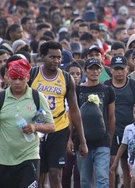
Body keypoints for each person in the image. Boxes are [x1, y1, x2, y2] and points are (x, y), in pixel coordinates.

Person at [0, 59, 56, 188]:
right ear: (8, 78)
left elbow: (51, 126)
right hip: (3, 160)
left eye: (21, 78)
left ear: (28, 78)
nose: (17, 82)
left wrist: (35, 127)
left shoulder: (37, 97)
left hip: (29, 158)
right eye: (14, 78)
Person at [29, 41, 88, 188]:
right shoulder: (33, 74)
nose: (56, 61)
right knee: (37, 175)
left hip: (59, 128)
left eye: (59, 57)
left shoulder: (67, 79)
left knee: (56, 174)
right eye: (52, 57)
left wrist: (82, 141)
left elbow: (74, 110)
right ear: (43, 56)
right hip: (36, 129)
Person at [104, 55, 135, 188]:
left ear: (127, 69)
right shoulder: (106, 86)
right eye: (116, 69)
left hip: (132, 133)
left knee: (128, 168)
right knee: (111, 166)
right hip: (112, 132)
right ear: (111, 70)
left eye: (122, 69)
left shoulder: (134, 86)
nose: (119, 72)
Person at [76, 58, 115, 188]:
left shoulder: (108, 90)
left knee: (102, 178)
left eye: (97, 68)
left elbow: (111, 117)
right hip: (82, 141)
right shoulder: (77, 91)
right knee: (85, 180)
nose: (94, 71)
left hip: (102, 141)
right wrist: (71, 138)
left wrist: (109, 137)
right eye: (91, 69)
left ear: (101, 70)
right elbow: (72, 116)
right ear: (85, 72)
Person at [110, 101, 135, 188]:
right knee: (134, 182)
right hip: (133, 161)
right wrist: (115, 163)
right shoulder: (129, 129)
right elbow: (123, 145)